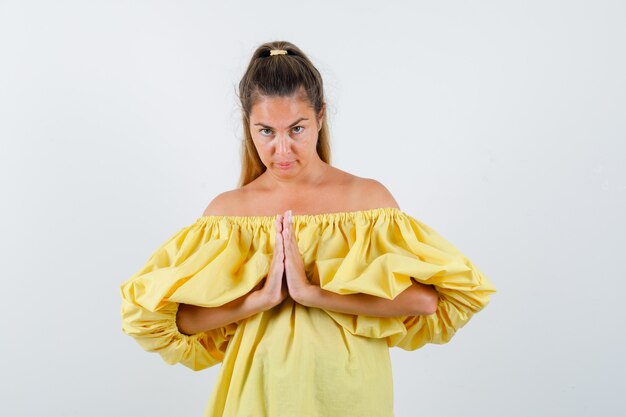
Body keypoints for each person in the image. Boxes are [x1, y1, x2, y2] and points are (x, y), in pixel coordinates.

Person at [119, 40, 497, 417]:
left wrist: (312, 294)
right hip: (257, 394)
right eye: (266, 131)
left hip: (350, 395)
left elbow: (426, 301)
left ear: (320, 117)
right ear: (247, 125)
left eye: (296, 129)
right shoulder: (227, 214)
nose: (282, 150)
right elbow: (173, 320)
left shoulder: (365, 200)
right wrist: (261, 299)